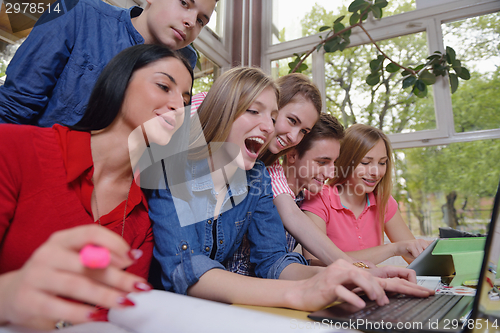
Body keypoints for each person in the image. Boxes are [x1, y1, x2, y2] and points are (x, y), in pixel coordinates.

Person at [149, 67, 433, 312]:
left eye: (273, 118)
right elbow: (185, 268)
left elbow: (273, 259)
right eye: (254, 111)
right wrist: (303, 292)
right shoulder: (170, 159)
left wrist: (346, 273)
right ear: (225, 107)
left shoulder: (257, 174)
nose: (270, 128)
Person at [0, 44, 193, 329]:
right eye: (164, 86)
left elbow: (110, 313)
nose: (179, 107)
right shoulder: (13, 147)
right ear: (120, 81)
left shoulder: (142, 220)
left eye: (187, 101)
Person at [0, 0, 216, 127]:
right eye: (184, 2)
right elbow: (14, 107)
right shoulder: (77, 12)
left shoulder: (185, 60)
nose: (190, 22)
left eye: (201, 21)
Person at [301, 123, 431, 265]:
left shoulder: (383, 201)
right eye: (365, 162)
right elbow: (314, 262)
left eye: (382, 163)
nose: (376, 172)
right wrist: (392, 249)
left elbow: (417, 257)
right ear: (344, 162)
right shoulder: (317, 198)